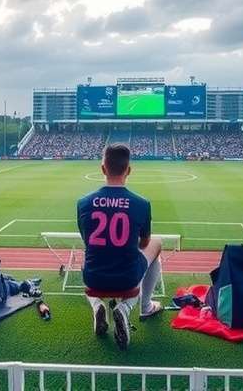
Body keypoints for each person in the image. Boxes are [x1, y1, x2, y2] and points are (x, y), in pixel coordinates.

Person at [77, 143, 163, 349]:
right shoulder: (142, 203)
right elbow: (144, 243)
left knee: (88, 253)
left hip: (93, 277)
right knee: (157, 243)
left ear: (103, 169)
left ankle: (98, 305)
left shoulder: (83, 202)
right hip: (128, 278)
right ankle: (139, 307)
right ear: (129, 170)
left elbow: (86, 239)